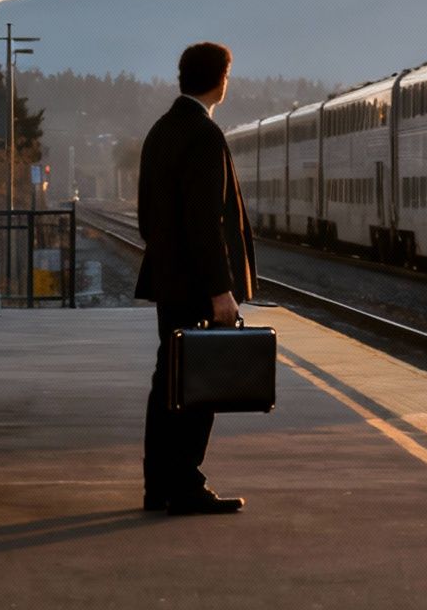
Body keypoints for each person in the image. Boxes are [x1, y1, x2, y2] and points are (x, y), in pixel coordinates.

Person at [136, 41, 256, 515]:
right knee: (198, 384)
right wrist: (220, 289)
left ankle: (159, 484)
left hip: (169, 282)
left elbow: (150, 218)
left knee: (168, 380)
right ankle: (186, 482)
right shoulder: (204, 136)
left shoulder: (161, 131)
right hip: (198, 288)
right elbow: (208, 221)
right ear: (221, 80)